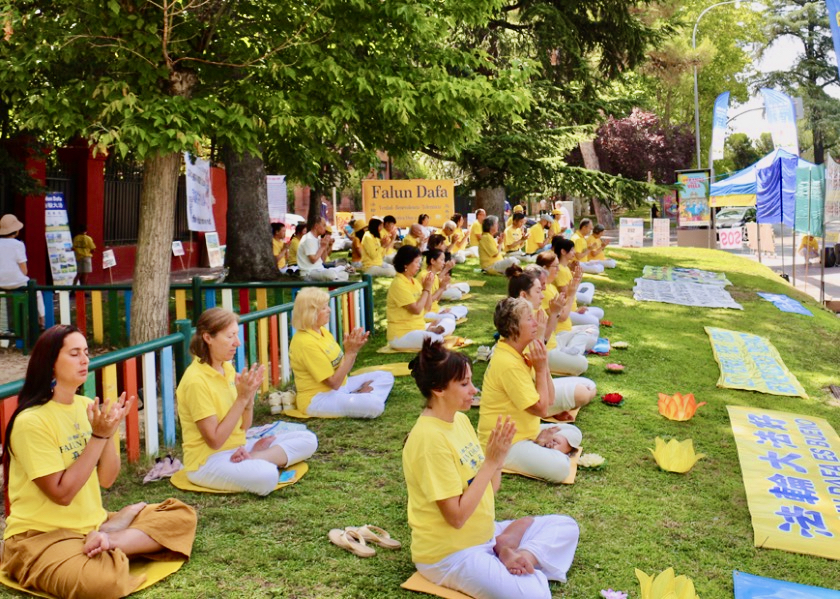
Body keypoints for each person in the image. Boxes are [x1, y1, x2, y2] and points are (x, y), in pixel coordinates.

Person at [2, 325, 197, 599]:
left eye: (86, 352)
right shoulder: (31, 421)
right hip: (42, 537)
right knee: (105, 584)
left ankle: (109, 539)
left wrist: (111, 428)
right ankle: (110, 541)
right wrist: (98, 435)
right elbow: (61, 494)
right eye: (74, 353)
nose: (85, 360)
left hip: (94, 525)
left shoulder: (85, 407)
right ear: (50, 363)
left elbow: (107, 478)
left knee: (181, 516)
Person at [403, 339, 579, 599]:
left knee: (565, 526)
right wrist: (492, 461)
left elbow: (491, 489)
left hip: (484, 534)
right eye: (464, 384)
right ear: (439, 389)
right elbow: (456, 517)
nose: (473, 389)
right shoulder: (429, 441)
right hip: (451, 554)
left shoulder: (459, 420)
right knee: (534, 596)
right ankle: (508, 553)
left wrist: (498, 455)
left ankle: (511, 552)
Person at [176, 308, 318, 495]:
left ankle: (253, 457)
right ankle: (257, 461)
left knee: (308, 439)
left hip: (239, 447)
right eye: (230, 337)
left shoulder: (226, 367)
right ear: (208, 338)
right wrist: (242, 398)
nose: (237, 342)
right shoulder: (196, 381)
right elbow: (215, 441)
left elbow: (244, 427)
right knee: (267, 476)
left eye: (236, 335)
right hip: (208, 461)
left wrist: (249, 396)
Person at [478, 297, 585, 483]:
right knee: (561, 467)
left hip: (528, 432)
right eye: (529, 319)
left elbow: (550, 399)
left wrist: (542, 366)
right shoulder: (507, 363)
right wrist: (542, 368)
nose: (536, 323)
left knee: (574, 433)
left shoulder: (520, 353)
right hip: (506, 444)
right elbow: (543, 410)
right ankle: (542, 446)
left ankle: (541, 444)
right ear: (513, 328)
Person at [289, 288, 394, 418]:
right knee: (375, 406)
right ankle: (363, 396)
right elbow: (333, 383)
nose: (329, 310)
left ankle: (360, 396)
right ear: (310, 313)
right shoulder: (305, 343)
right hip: (318, 399)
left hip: (341, 387)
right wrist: (350, 353)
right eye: (323, 308)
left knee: (385, 376)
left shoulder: (321, 331)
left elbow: (341, 368)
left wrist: (352, 351)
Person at [507, 263, 597, 397]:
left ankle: (570, 353)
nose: (542, 295)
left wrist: (555, 312)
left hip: (549, 352)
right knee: (584, 378)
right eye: (538, 290)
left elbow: (542, 344)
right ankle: (570, 355)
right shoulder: (522, 319)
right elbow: (539, 348)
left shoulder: (531, 309)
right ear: (524, 295)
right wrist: (556, 311)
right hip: (539, 369)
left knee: (591, 330)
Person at [386, 245, 454, 351]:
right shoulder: (398, 284)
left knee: (450, 320)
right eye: (417, 262)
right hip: (401, 334)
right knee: (438, 339)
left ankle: (433, 330)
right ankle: (433, 332)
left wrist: (431, 287)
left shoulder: (414, 281)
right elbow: (417, 310)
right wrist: (427, 289)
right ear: (406, 264)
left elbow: (427, 307)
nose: (419, 265)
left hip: (419, 327)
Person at [0, 213, 45, 331]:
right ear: (15, 231)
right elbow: (24, 270)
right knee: (37, 292)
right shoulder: (18, 245)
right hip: (16, 281)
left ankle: (8, 329)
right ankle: (41, 320)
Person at [551, 237, 604, 327]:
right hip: (567, 311)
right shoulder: (560, 270)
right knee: (594, 321)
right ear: (563, 252)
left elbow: (571, 290)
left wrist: (576, 278)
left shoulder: (566, 267)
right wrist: (576, 280)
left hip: (574, 308)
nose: (574, 252)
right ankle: (580, 317)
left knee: (600, 312)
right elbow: (565, 294)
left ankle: (581, 316)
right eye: (571, 250)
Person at [419, 249, 468, 324]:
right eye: (441, 260)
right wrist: (441, 288)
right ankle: (447, 317)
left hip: (436, 310)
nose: (444, 263)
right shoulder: (426, 276)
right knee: (450, 317)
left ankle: (446, 316)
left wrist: (443, 287)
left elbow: (436, 300)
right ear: (433, 261)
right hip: (426, 313)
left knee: (463, 308)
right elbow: (428, 303)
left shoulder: (434, 276)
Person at [297, 217, 349, 281]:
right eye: (324, 225)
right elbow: (313, 260)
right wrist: (322, 247)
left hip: (320, 270)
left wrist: (325, 246)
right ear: (316, 226)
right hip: (309, 273)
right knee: (330, 274)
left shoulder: (317, 238)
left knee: (344, 274)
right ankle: (336, 281)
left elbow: (323, 260)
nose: (325, 228)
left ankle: (336, 281)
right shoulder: (308, 239)